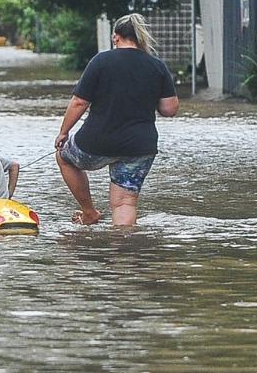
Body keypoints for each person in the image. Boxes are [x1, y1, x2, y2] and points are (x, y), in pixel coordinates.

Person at [54, 12, 180, 226]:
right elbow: (169, 109)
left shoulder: (101, 61)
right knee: (125, 204)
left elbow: (79, 102)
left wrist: (63, 133)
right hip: (139, 146)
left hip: (96, 141)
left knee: (64, 157)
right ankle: (124, 252)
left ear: (116, 37)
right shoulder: (156, 66)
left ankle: (89, 212)